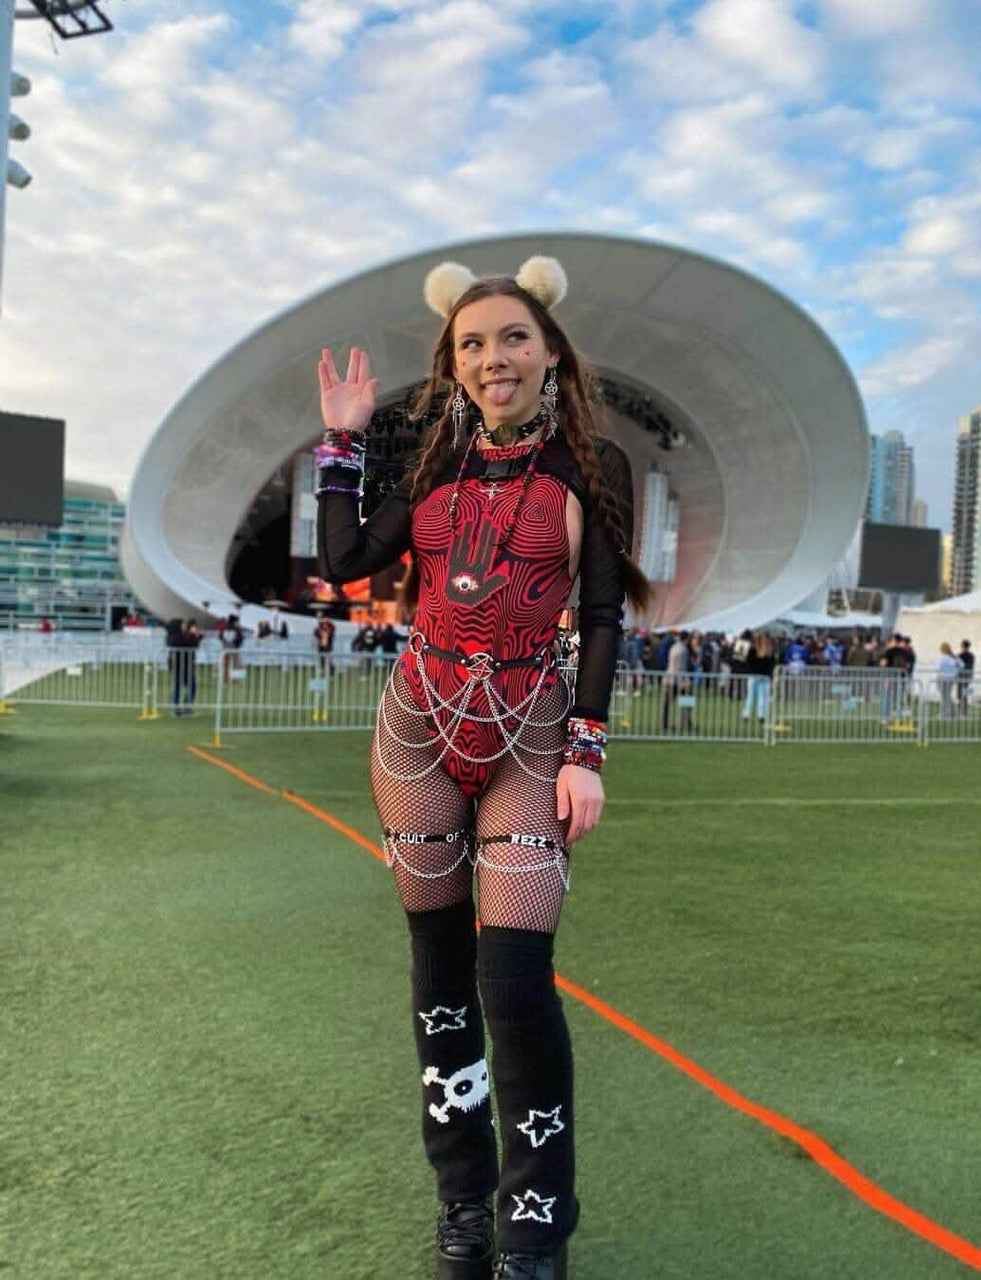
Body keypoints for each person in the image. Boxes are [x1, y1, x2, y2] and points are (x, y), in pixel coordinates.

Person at [315, 256, 647, 1280]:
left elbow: (598, 617)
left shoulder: (596, 467)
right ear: (451, 364)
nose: (491, 357)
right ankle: (462, 1203)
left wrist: (586, 748)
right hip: (416, 727)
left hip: (530, 731)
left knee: (513, 982)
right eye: (470, 343)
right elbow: (343, 563)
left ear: (550, 350)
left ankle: (535, 1222)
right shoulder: (424, 459)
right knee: (439, 978)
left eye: (511, 336)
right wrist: (343, 438)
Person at [936, 642, 961, 721]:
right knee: (948, 696)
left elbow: (937, 668)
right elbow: (961, 665)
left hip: (944, 678)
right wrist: (955, 671)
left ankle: (944, 714)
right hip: (951, 678)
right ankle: (952, 713)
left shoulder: (943, 658)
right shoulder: (953, 657)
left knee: (944, 697)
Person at [956, 639, 975, 716]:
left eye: (962, 646)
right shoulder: (971, 656)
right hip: (965, 677)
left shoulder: (962, 656)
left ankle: (964, 712)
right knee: (960, 695)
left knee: (963, 695)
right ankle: (961, 711)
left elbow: (967, 666)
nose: (961, 647)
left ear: (964, 646)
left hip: (964, 677)